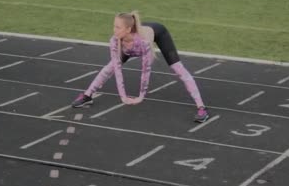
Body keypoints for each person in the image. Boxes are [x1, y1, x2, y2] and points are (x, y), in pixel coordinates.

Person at [71, 11, 210, 123]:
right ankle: (88, 95)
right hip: (129, 46)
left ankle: (202, 108)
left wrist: (140, 97)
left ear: (128, 29)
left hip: (159, 33)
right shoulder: (114, 40)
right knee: (109, 67)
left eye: (117, 27)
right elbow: (117, 70)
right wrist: (123, 96)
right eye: (114, 26)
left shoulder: (143, 42)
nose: (114, 30)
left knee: (178, 68)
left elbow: (146, 71)